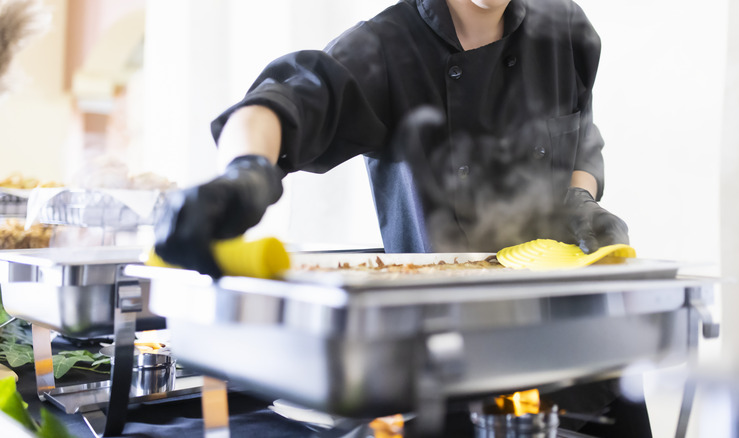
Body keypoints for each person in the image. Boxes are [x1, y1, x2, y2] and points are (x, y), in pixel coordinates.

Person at [155, 0, 646, 436]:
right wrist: (246, 172)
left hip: (570, 341)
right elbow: (281, 102)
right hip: (446, 356)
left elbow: (581, 133)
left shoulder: (562, 25)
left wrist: (580, 199)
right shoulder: (388, 45)